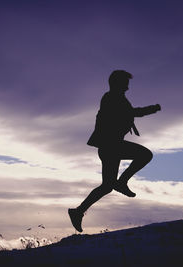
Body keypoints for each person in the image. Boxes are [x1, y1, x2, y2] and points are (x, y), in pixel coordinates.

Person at [69, 70, 161, 232]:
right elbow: (131, 113)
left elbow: (128, 114)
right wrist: (152, 109)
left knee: (106, 186)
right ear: (117, 83)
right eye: (125, 83)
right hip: (111, 146)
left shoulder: (118, 98)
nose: (127, 87)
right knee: (145, 155)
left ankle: (78, 212)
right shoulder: (111, 98)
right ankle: (122, 182)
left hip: (112, 146)